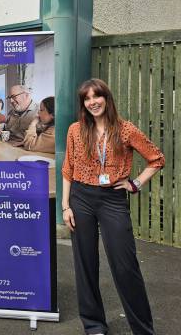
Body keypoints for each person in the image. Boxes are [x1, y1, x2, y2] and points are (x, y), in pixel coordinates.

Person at [62, 79, 164, 335]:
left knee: (125, 265)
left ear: (106, 99)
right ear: (83, 104)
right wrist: (66, 206)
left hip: (112, 199)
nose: (92, 102)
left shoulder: (125, 130)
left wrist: (136, 184)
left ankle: (143, 329)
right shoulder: (76, 130)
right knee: (85, 263)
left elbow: (156, 158)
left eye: (97, 97)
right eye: (87, 98)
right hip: (81, 198)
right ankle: (94, 325)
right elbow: (68, 170)